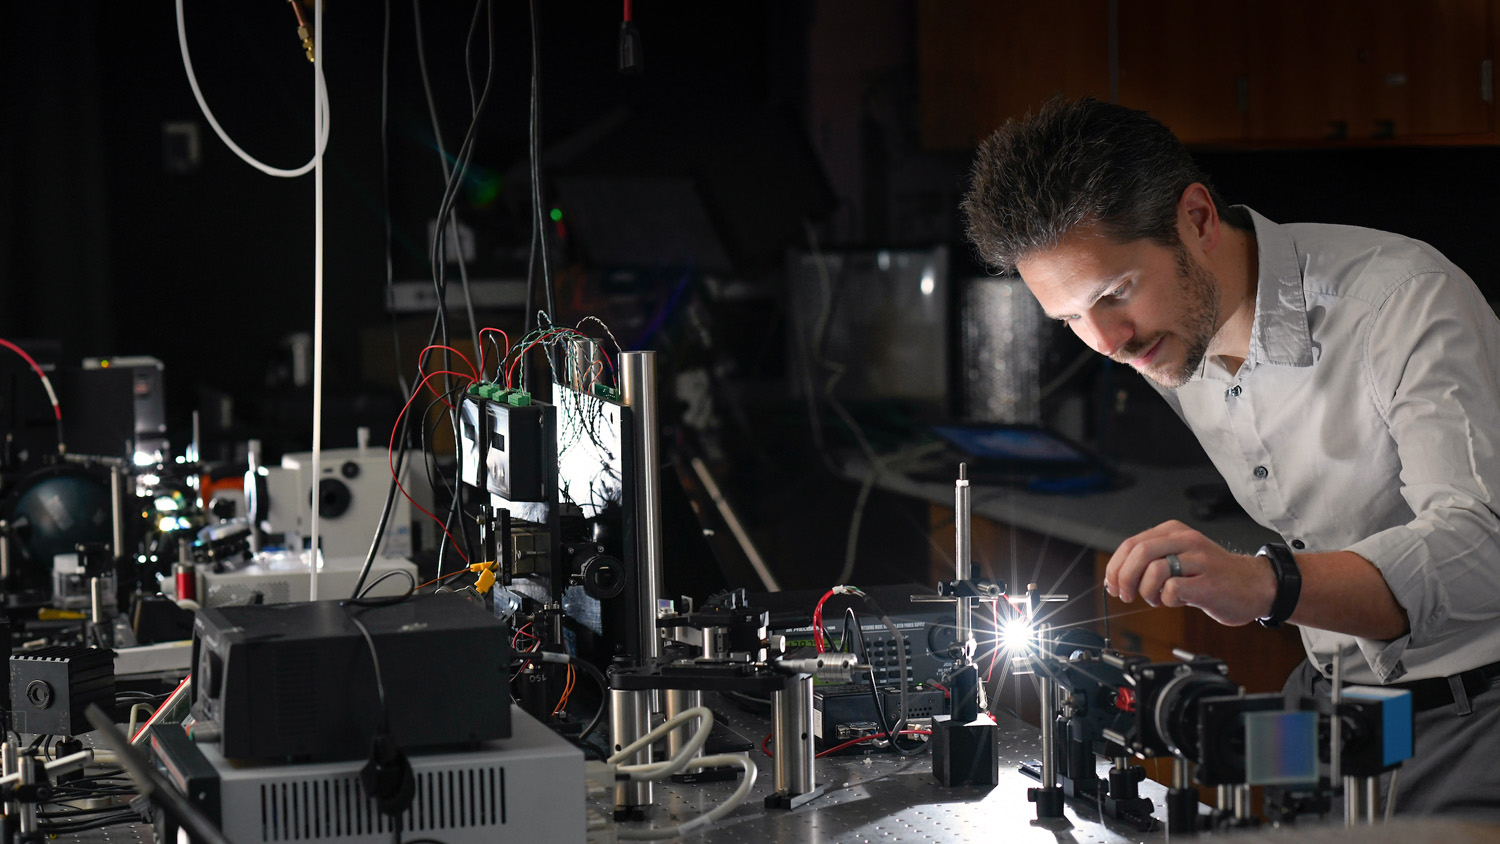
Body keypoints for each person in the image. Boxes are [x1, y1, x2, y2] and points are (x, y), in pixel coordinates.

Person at [961, 97, 1500, 816]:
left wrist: (1264, 584)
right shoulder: (1163, 335)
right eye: (1069, 319)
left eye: (1115, 292)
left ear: (1198, 219)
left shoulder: (1402, 302)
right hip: (1326, 702)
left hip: (1467, 715)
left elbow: (1484, 549)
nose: (1107, 341)